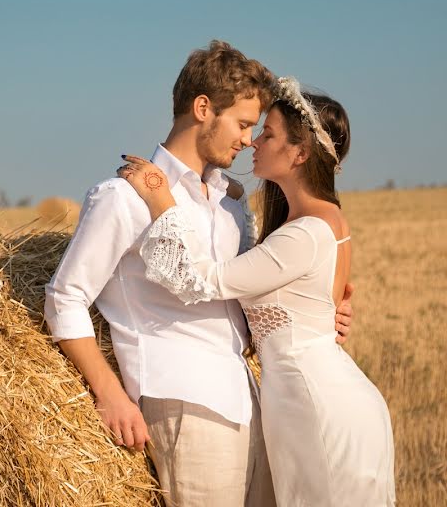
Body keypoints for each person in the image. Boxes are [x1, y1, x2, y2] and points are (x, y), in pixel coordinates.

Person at [44, 41, 355, 507]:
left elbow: (246, 293)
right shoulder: (123, 195)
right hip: (183, 400)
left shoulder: (231, 204)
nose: (249, 140)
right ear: (203, 108)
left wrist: (321, 312)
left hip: (250, 400)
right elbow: (65, 297)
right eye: (244, 124)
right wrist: (109, 394)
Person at [118, 76, 395, 506]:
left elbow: (199, 279)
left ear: (300, 153)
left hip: (315, 407)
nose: (253, 143)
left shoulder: (304, 234)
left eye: (267, 134)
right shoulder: (323, 222)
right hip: (310, 397)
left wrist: (160, 199)